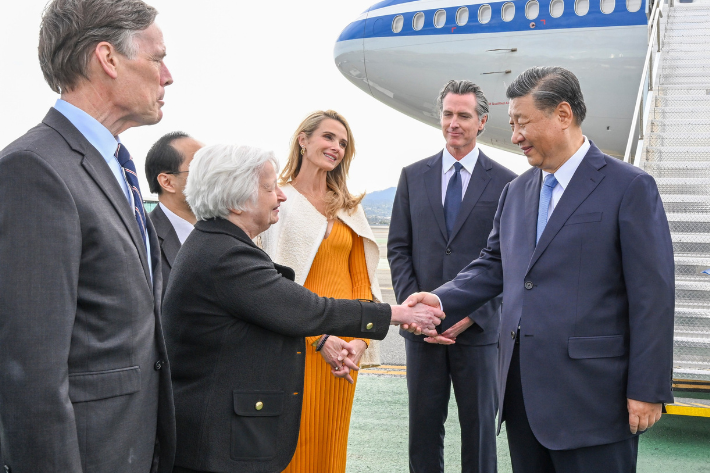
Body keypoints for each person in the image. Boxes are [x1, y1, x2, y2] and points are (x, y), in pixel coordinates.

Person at [407, 66, 675, 473]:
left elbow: (652, 295)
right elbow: (495, 264)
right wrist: (441, 298)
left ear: (563, 115)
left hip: (593, 402)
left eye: (522, 123)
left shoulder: (629, 187)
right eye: (512, 124)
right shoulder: (516, 191)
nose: (514, 136)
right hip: (521, 399)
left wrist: (648, 388)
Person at [162, 144, 445, 473]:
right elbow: (307, 309)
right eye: (269, 187)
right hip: (217, 446)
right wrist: (400, 314)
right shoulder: (226, 256)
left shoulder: (216, 244)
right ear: (236, 200)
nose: (280, 196)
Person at [0, 0, 176, 472]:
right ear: (108, 58)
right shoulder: (35, 169)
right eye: (158, 58)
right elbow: (30, 374)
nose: (168, 76)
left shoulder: (115, 166)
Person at [388, 80, 517, 473]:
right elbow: (399, 249)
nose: (453, 123)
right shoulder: (413, 176)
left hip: (478, 332)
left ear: (482, 122)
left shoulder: (507, 182)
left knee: (479, 433)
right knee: (423, 431)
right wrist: (416, 314)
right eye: (448, 114)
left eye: (463, 115)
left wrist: (471, 315)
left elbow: (510, 261)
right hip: (421, 332)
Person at [259, 110, 382, 473]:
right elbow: (270, 281)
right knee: (292, 443)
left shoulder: (348, 205)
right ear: (303, 139)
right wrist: (317, 336)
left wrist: (359, 341)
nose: (336, 147)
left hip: (344, 348)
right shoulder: (277, 198)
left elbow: (362, 281)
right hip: (298, 340)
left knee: (332, 441)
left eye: (343, 143)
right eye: (328, 137)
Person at [145, 131, 204, 299]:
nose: (212, 175)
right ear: (167, 182)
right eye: (200, 167)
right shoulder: (141, 237)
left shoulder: (222, 234)